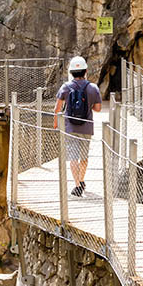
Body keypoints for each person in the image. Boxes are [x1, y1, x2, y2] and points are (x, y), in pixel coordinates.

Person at [53, 55, 102, 197]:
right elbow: (98, 109)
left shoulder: (65, 87)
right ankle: (81, 180)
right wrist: (88, 105)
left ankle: (77, 185)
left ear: (71, 72)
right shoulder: (93, 88)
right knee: (84, 156)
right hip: (87, 127)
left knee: (73, 156)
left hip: (71, 127)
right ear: (85, 71)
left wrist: (56, 123)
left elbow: (57, 108)